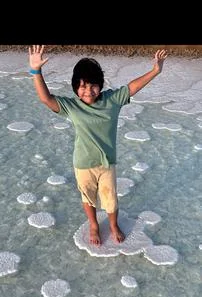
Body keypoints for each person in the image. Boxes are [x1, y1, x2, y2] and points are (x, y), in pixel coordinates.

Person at [28, 45, 167, 247]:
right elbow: (45, 98)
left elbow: (132, 87)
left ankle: (112, 225)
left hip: (107, 162)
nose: (88, 91)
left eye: (93, 85)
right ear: (76, 87)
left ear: (100, 85)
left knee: (110, 199)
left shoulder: (111, 100)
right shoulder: (72, 106)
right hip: (83, 163)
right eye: (82, 86)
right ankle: (93, 224)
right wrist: (36, 71)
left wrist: (156, 70)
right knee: (88, 197)